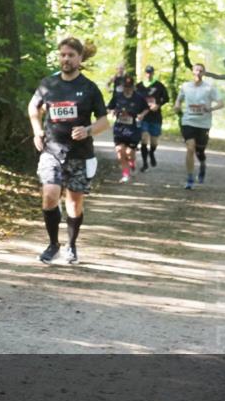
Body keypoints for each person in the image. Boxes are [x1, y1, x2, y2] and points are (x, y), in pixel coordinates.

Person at [28, 37, 110, 265]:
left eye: (71, 55)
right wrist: (37, 131)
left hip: (79, 154)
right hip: (51, 150)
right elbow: (33, 107)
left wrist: (88, 130)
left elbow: (104, 121)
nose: (66, 59)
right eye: (63, 54)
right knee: (50, 195)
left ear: (80, 59)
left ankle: (71, 246)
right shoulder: (48, 84)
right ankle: (53, 244)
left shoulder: (89, 88)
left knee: (74, 203)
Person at [173, 62, 224, 189]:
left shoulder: (209, 87)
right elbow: (179, 99)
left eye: (201, 71)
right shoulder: (185, 86)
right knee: (190, 148)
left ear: (204, 73)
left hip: (203, 123)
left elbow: (221, 103)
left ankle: (202, 165)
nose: (198, 72)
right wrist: (177, 105)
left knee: (200, 151)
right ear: (192, 71)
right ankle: (190, 178)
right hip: (188, 121)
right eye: (196, 70)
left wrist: (210, 109)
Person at [108, 73, 149, 183]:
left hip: (133, 129)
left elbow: (146, 108)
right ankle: (125, 174)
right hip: (119, 128)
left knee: (129, 153)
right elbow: (109, 107)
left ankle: (132, 163)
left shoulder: (139, 98)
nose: (127, 89)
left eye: (129, 87)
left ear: (133, 87)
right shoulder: (117, 96)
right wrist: (112, 112)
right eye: (125, 87)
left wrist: (141, 115)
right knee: (120, 151)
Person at [135, 65, 169, 172]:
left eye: (150, 72)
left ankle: (152, 153)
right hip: (143, 117)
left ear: (153, 73)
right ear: (144, 73)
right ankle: (145, 163)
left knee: (154, 142)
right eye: (147, 72)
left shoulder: (159, 86)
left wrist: (158, 105)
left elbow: (166, 98)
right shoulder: (139, 86)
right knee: (144, 139)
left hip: (155, 117)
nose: (149, 74)